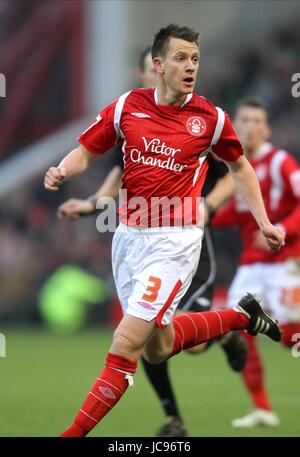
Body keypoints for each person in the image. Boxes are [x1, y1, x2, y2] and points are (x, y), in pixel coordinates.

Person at [44, 24, 284, 437]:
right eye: (180, 58)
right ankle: (239, 316)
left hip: (175, 243)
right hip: (128, 239)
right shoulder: (127, 108)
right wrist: (63, 169)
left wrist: (263, 221)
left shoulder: (210, 118)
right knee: (158, 347)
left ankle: (71, 434)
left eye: (194, 59)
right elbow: (88, 149)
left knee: (125, 344)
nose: (190, 66)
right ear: (158, 65)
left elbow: (239, 166)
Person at [211, 97, 300, 428]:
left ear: (267, 128)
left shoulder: (281, 163)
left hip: (286, 264)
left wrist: (283, 230)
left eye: (256, 121)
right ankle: (262, 407)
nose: (249, 126)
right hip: (251, 267)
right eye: (244, 120)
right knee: (237, 329)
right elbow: (234, 211)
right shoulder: (236, 166)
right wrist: (199, 216)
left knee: (292, 336)